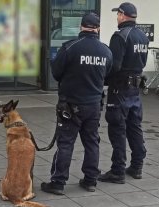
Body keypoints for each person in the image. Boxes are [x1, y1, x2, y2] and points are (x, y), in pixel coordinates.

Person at [41, 12, 112, 194]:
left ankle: (58, 182)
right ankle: (90, 180)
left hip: (70, 105)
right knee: (92, 143)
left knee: (65, 143)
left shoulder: (70, 47)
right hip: (94, 105)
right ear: (98, 28)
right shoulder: (105, 51)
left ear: (81, 27)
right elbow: (107, 76)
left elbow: (56, 73)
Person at [98, 2, 149, 184]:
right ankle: (137, 166)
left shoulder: (120, 36)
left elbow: (114, 65)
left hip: (119, 89)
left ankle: (117, 170)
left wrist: (102, 80)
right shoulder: (142, 36)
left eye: (118, 14)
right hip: (135, 89)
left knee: (117, 129)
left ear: (122, 15)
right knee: (134, 127)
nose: (117, 17)